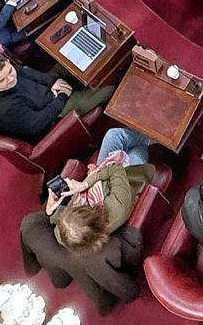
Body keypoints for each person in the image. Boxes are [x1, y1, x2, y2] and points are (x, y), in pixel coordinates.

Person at [21, 129, 157, 315]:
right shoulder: (116, 208)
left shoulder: (63, 234)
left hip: (99, 181)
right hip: (124, 181)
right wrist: (86, 184)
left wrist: (52, 209)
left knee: (113, 135)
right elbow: (115, 169)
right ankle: (150, 139)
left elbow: (60, 222)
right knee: (137, 149)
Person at [0, 52, 113, 144]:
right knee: (108, 89)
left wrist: (51, 81)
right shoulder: (5, 110)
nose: (10, 79)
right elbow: (38, 123)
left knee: (76, 58)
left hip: (46, 92)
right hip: (52, 115)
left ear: (8, 62)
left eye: (10, 71)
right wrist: (61, 96)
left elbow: (24, 71)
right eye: (2, 80)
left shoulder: (0, 72)